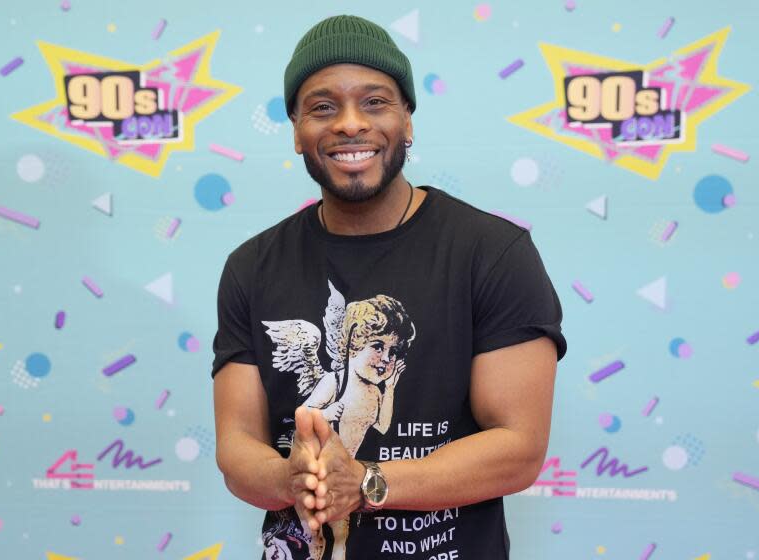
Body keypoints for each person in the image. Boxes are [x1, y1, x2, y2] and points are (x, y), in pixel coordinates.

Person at [212, 14, 567, 560]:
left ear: (408, 120)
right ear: (296, 129)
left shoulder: (493, 254)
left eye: (375, 102)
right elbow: (237, 445)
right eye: (322, 107)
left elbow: (518, 449)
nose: (350, 125)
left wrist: (367, 482)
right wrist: (292, 482)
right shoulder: (252, 266)